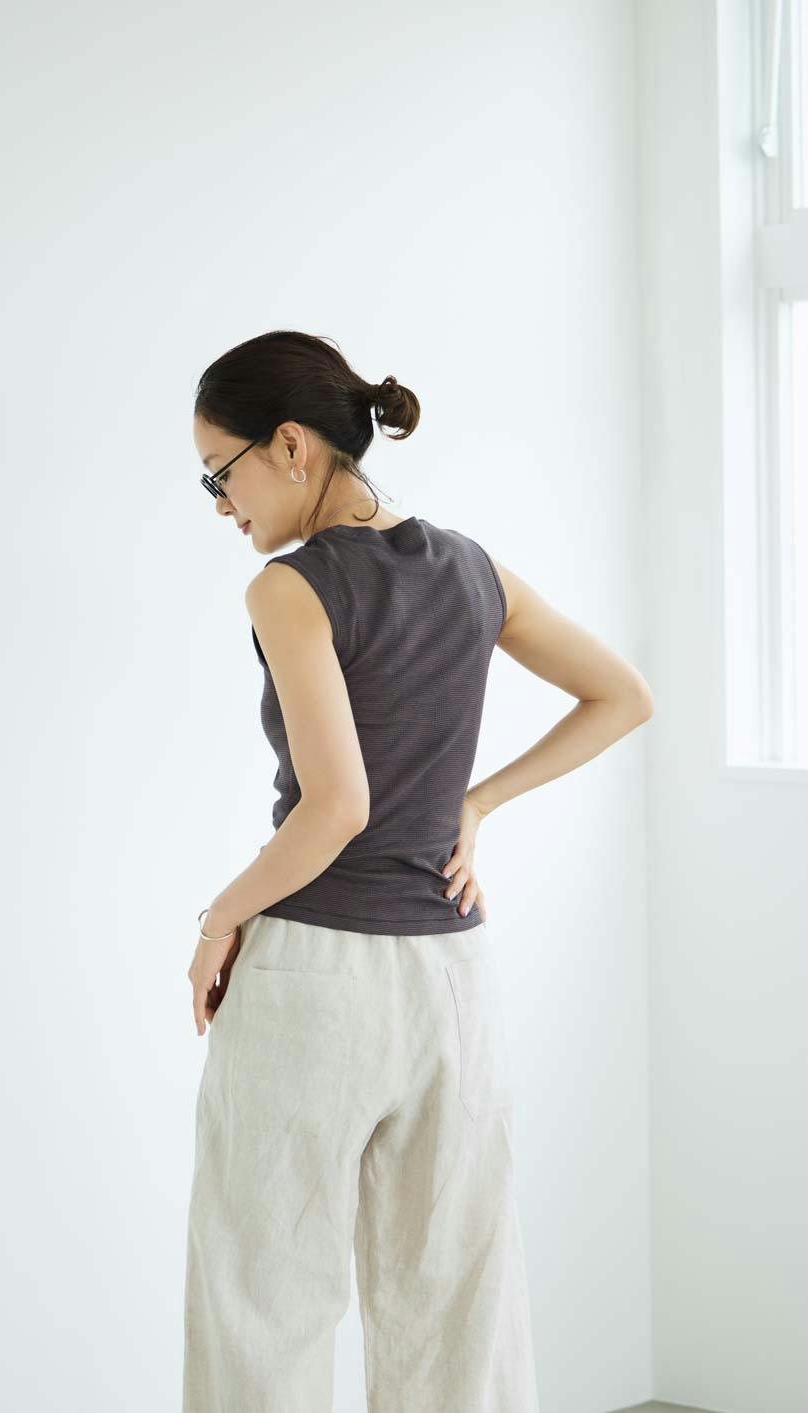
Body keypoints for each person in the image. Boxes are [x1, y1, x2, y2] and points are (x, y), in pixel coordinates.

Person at [182, 329, 654, 1412]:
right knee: (454, 1305)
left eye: (220, 473)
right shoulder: (473, 571)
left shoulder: (291, 588)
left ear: (289, 445)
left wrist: (217, 919)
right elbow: (622, 695)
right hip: (449, 980)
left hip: (312, 978)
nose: (221, 505)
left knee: (262, 1302)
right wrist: (471, 805)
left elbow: (335, 808)